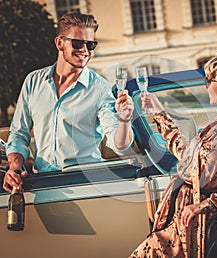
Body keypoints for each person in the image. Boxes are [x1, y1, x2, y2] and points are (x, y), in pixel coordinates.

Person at [130, 53, 217, 257]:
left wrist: (203, 205)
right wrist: (159, 113)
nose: (206, 86)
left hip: (192, 216)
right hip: (179, 211)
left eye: (208, 80)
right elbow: (186, 156)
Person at [3, 12, 134, 193]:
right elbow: (19, 134)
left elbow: (119, 143)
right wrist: (15, 168)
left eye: (90, 44)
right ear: (59, 43)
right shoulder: (33, 82)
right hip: (43, 184)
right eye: (78, 43)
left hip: (87, 185)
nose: (85, 50)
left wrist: (125, 120)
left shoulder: (101, 90)